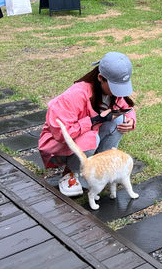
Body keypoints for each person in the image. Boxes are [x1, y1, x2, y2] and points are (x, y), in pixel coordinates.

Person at [38, 51, 137, 196]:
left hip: (85, 140)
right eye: (115, 86)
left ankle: (102, 166)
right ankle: (70, 173)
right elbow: (61, 133)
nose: (118, 93)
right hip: (60, 146)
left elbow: (126, 107)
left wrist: (131, 120)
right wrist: (93, 121)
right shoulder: (76, 94)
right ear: (100, 78)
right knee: (91, 138)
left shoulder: (111, 94)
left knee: (118, 120)